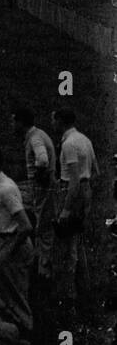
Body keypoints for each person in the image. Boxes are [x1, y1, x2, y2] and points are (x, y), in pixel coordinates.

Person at [0, 145, 36, 336]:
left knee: (17, 295)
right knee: (6, 292)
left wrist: (7, 252)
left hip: (15, 246)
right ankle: (12, 334)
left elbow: (26, 226)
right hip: (4, 240)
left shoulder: (5, 189)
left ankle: (26, 335)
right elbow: (3, 219)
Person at [52, 107, 97, 309]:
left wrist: (67, 208)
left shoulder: (69, 144)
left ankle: (67, 294)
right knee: (77, 242)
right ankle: (83, 289)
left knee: (67, 245)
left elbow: (74, 180)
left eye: (54, 120)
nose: (52, 124)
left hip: (72, 191)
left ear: (61, 121)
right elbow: (95, 171)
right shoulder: (84, 139)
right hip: (85, 190)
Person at [13, 106, 57, 281]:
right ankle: (41, 264)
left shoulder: (36, 138)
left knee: (44, 225)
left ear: (21, 122)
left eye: (14, 120)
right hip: (42, 186)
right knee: (41, 223)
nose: (12, 124)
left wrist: (39, 179)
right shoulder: (36, 135)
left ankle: (44, 270)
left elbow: (43, 159)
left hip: (43, 187)